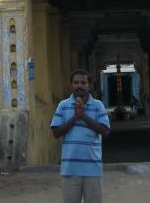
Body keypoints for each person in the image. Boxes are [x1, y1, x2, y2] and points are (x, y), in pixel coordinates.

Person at [51, 69, 110, 203]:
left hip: (93, 170)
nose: (79, 86)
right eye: (76, 82)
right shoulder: (63, 105)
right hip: (70, 169)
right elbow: (56, 133)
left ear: (89, 85)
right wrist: (75, 117)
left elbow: (105, 131)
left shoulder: (98, 106)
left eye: (83, 82)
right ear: (71, 85)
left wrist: (83, 115)